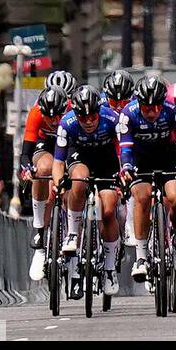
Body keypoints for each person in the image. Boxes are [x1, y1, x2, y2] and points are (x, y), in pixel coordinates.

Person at [117, 73, 176, 283]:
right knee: (141, 197)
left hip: (167, 157)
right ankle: (141, 257)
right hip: (139, 159)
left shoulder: (172, 111)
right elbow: (124, 149)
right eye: (147, 107)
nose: (152, 111)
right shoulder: (128, 114)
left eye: (156, 106)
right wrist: (126, 166)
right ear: (139, 102)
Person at [52, 85, 122, 298]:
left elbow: (124, 150)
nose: (89, 121)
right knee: (79, 180)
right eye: (83, 117)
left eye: (93, 115)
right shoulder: (67, 124)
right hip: (79, 157)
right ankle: (73, 233)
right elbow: (58, 161)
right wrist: (57, 183)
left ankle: (109, 268)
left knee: (108, 211)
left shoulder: (113, 119)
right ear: (76, 114)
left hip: (106, 159)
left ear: (99, 111)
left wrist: (123, 175)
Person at [20, 86, 65, 280]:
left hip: (69, 143)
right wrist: (27, 168)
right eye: (49, 118)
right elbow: (25, 153)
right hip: (45, 145)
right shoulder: (36, 113)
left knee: (74, 181)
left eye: (58, 117)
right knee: (43, 168)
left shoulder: (72, 111)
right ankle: (39, 230)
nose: (54, 121)